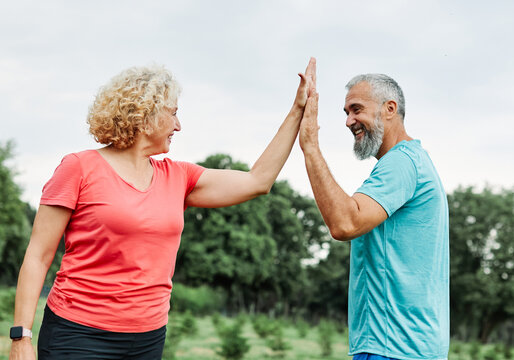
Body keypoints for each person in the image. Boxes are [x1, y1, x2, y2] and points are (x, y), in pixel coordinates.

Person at [9, 58, 316, 360]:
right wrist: (21, 337)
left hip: (148, 339)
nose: (179, 126)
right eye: (174, 114)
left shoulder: (179, 177)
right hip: (77, 335)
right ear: (146, 113)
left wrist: (297, 111)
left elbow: (257, 181)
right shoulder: (78, 168)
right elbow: (38, 256)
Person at [298, 74, 449, 359]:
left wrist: (310, 148)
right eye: (346, 112)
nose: (348, 121)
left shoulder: (401, 162)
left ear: (389, 109)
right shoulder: (410, 162)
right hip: (403, 348)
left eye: (357, 109)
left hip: (394, 349)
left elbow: (346, 223)